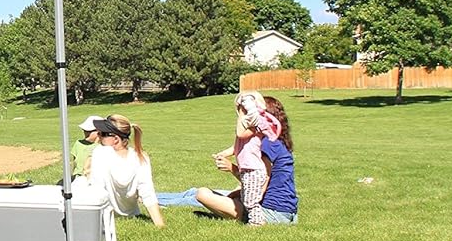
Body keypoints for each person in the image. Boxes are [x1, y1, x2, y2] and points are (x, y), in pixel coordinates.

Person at [184, 96, 299, 225]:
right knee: (223, 194)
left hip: (272, 212)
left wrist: (231, 168)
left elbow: (261, 182)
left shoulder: (267, 144)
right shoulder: (276, 141)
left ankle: (250, 219)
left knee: (202, 194)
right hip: (287, 212)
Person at [79, 113, 165, 228]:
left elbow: (97, 189)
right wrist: (160, 225)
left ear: (115, 139)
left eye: (102, 134)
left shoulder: (101, 153)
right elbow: (148, 193)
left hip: (105, 214)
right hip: (131, 213)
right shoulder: (140, 157)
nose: (98, 136)